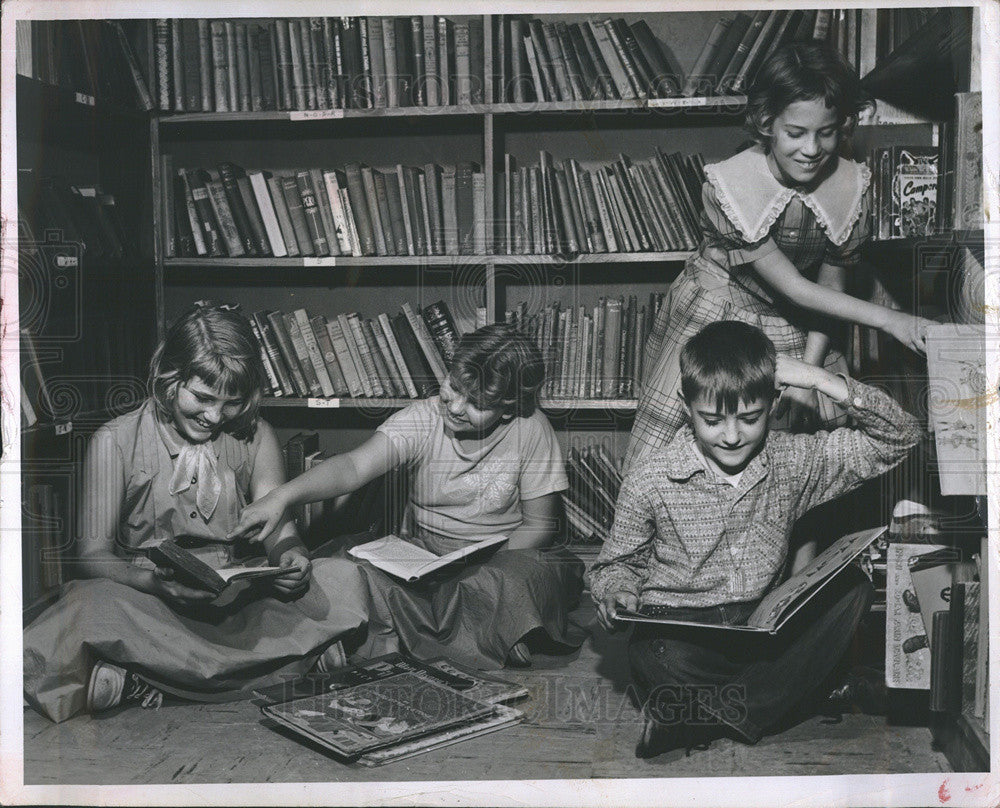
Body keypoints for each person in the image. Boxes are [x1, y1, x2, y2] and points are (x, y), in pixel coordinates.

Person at [23, 302, 368, 723]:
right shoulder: (113, 441)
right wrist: (152, 582)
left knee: (342, 578)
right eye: (202, 398)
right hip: (152, 599)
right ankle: (291, 663)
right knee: (81, 605)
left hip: (237, 598)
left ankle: (143, 677)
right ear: (168, 378)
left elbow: (279, 531)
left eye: (231, 403)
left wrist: (290, 559)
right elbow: (91, 556)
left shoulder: (256, 436)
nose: (214, 416)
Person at [590, 321, 921, 758]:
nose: (731, 436)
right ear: (685, 406)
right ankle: (797, 695)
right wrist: (616, 593)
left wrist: (822, 379)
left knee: (852, 590)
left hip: (766, 627)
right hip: (687, 634)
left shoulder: (793, 460)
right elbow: (616, 564)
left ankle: (697, 718)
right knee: (653, 654)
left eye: (750, 418)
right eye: (711, 420)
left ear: (774, 401)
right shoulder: (651, 477)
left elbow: (903, 436)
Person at [624, 40, 936, 473]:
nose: (812, 149)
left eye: (826, 132)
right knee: (661, 453)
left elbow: (828, 289)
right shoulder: (732, 186)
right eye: (796, 133)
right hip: (718, 311)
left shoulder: (852, 187)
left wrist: (807, 377)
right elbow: (794, 285)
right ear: (766, 123)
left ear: (843, 125)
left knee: (788, 466)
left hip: (797, 322)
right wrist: (892, 319)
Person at [230, 323, 586, 670]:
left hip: (501, 556)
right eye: (453, 386)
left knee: (519, 578)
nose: (457, 406)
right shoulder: (424, 418)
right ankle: (488, 634)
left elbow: (539, 525)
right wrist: (282, 498)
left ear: (508, 409)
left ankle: (425, 633)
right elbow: (353, 467)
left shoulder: (531, 428)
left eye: (476, 402)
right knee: (345, 565)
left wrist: (484, 563)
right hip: (425, 556)